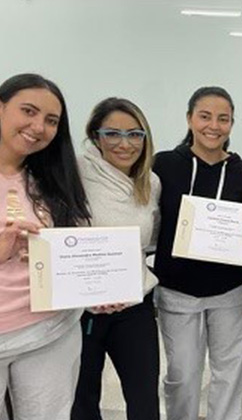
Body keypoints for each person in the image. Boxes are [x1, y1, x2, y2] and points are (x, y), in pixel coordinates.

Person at [152, 86, 242, 420]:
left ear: (232, 124)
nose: (213, 126)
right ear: (189, 119)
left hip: (232, 290)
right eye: (205, 116)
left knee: (229, 373)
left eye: (223, 119)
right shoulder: (163, 166)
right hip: (177, 291)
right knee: (183, 375)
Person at [0, 73, 90, 419]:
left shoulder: (54, 178)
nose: (38, 127)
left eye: (51, 120)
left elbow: (75, 244)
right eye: (29, 111)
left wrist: (98, 287)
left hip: (51, 332)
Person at [71, 98, 161, 420]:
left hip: (135, 308)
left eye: (135, 134)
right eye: (113, 134)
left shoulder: (150, 183)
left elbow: (148, 242)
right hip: (85, 310)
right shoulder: (75, 173)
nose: (125, 144)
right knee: (82, 399)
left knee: (144, 399)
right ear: (96, 137)